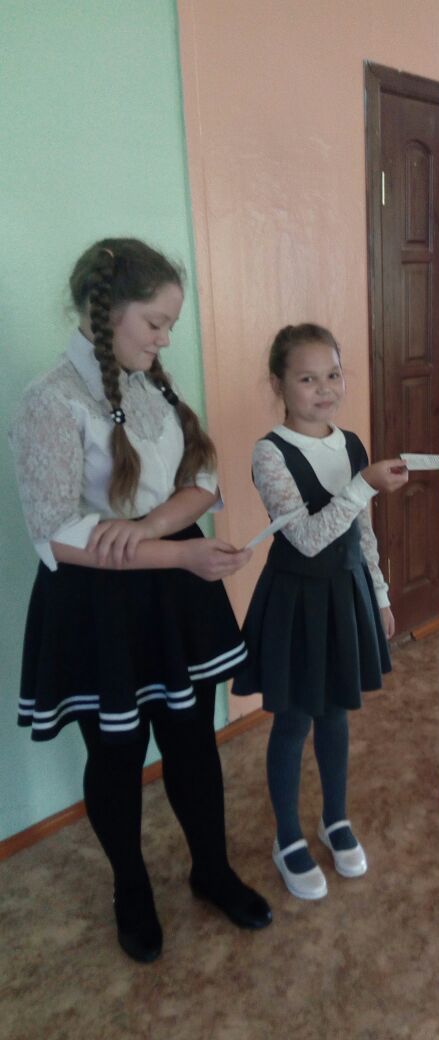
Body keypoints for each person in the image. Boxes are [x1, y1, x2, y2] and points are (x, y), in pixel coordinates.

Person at [9, 239, 272, 963]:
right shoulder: (50, 400)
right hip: (99, 606)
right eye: (155, 323)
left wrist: (153, 528)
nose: (164, 339)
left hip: (168, 592)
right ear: (108, 312)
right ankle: (131, 889)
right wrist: (179, 552)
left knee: (191, 740)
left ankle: (211, 870)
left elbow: (203, 480)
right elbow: (56, 532)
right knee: (117, 753)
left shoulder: (152, 385)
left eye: (169, 325)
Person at [232, 323, 408, 899]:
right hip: (296, 600)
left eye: (333, 374)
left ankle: (335, 819)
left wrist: (380, 593)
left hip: (347, 593)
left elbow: (362, 531)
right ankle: (287, 836)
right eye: (308, 379)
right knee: (294, 720)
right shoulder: (270, 453)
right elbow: (307, 537)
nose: (325, 388)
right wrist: (362, 485)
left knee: (336, 713)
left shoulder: (351, 443)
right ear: (279, 384)